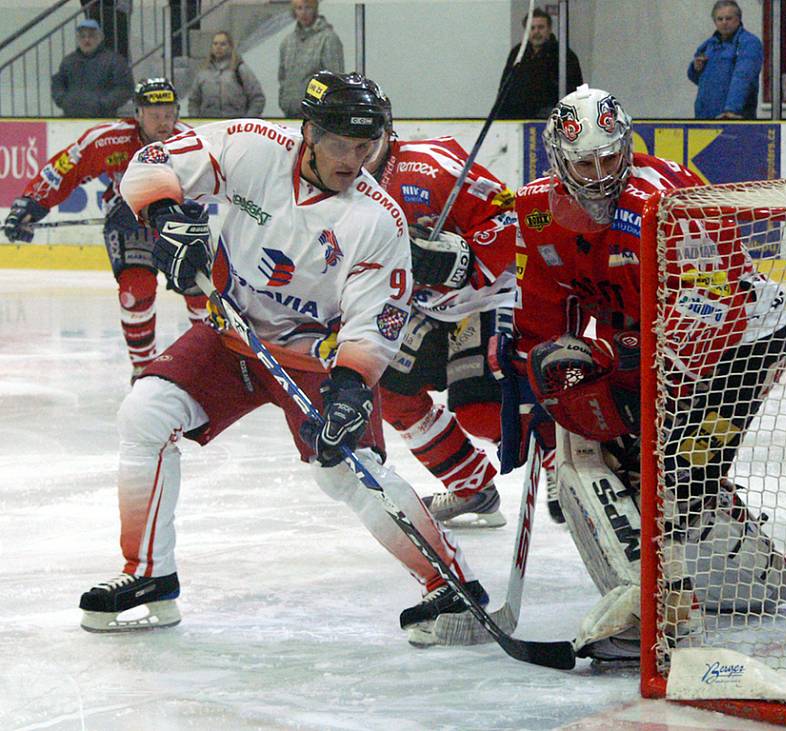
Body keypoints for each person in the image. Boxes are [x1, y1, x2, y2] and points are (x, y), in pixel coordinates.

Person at [77, 71, 489, 646]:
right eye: (341, 144)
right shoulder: (250, 147)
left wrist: (350, 388)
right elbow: (150, 164)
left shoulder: (378, 220)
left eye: (366, 146)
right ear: (309, 132)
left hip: (316, 359)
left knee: (349, 473)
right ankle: (149, 576)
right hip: (231, 336)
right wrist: (165, 217)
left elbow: (375, 321)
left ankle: (451, 584)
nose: (354, 159)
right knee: (145, 413)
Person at [510, 84, 786, 660]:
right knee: (601, 452)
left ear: (627, 145)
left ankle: (663, 611)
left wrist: (621, 373)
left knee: (674, 478)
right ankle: (734, 587)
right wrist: (534, 401)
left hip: (739, 349)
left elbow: (713, 311)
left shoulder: (663, 202)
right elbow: (540, 317)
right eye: (584, 161)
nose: (597, 174)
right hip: (637, 347)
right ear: (559, 159)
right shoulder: (536, 209)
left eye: (609, 157)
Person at [364, 94, 520, 528]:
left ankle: (578, 463)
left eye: (365, 136)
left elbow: (513, 218)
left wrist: (465, 256)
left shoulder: (431, 166)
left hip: (489, 295)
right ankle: (473, 488)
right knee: (387, 389)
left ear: (386, 130)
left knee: (481, 410)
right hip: (429, 307)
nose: (353, 150)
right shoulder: (335, 189)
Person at [4, 78, 206, 382]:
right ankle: (144, 369)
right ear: (137, 114)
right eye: (155, 115)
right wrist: (31, 204)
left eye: (169, 114)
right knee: (135, 291)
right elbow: (66, 169)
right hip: (128, 219)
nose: (164, 123)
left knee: (200, 292)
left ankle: (206, 363)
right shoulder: (109, 139)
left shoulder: (194, 142)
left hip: (179, 222)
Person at [496, 8, 583, 120]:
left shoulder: (564, 55)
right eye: (532, 28)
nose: (536, 32)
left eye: (541, 27)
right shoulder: (517, 53)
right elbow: (505, 88)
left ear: (549, 29)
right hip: (517, 119)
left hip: (551, 121)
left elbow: (575, 91)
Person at [687, 0, 763, 119]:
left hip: (732, 118)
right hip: (704, 118)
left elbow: (743, 77)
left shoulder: (749, 43)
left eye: (728, 18)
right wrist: (695, 68)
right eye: (720, 19)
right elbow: (699, 79)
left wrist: (732, 110)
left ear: (738, 19)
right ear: (714, 22)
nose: (724, 23)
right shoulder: (708, 45)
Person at [51, 18, 133, 118]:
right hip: (71, 118)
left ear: (100, 37)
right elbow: (58, 84)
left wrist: (103, 104)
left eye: (91, 36)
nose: (86, 40)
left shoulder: (114, 61)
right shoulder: (68, 61)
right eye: (82, 36)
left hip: (103, 119)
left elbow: (124, 88)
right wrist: (64, 101)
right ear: (78, 39)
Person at [278, 0, 343, 117]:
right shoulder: (287, 42)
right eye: (299, 8)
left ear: (315, 10)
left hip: (316, 114)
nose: (303, 13)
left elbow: (334, 78)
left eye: (308, 8)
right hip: (290, 112)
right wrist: (284, 100)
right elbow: (283, 76)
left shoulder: (328, 39)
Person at [188, 31, 265, 118]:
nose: (218, 47)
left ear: (230, 47)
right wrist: (195, 120)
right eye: (215, 44)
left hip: (236, 125)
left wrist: (247, 122)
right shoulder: (203, 72)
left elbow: (257, 98)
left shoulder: (240, 69)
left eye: (223, 44)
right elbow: (193, 101)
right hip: (209, 125)